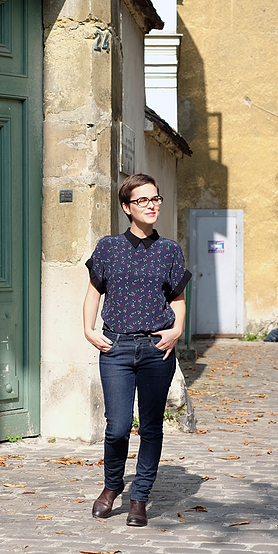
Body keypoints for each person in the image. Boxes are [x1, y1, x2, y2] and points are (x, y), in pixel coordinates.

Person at [82, 173, 192, 527]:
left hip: (156, 349)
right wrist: (88, 330)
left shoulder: (170, 250)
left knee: (150, 427)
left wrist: (176, 331)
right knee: (116, 427)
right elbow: (94, 292)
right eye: (143, 200)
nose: (151, 205)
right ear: (127, 207)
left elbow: (177, 299)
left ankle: (140, 497)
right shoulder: (108, 247)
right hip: (116, 346)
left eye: (155, 199)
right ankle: (112, 487)